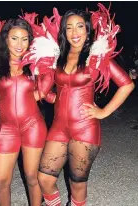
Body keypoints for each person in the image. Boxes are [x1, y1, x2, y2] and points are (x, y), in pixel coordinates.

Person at [37, 7, 135, 206]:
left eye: (79, 26)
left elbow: (127, 84)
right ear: (63, 32)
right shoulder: (57, 57)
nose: (74, 32)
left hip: (85, 129)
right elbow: (46, 90)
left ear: (88, 29)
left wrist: (103, 111)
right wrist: (53, 97)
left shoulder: (96, 56)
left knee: (77, 184)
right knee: (44, 179)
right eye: (69, 28)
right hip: (58, 127)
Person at [0, 18, 54, 206]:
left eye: (25, 39)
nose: (20, 44)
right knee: (0, 182)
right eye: (14, 38)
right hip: (6, 129)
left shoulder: (35, 65)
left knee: (31, 177)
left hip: (33, 126)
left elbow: (44, 92)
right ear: (6, 39)